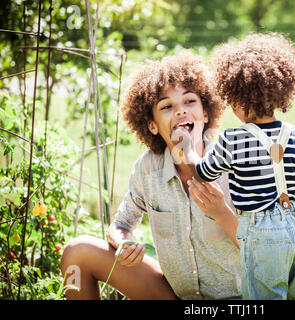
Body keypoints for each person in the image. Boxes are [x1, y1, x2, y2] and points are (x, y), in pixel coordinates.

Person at [60, 51, 242, 300]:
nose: (180, 111)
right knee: (77, 251)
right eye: (167, 106)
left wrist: (222, 214)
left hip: (241, 300)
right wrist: (123, 242)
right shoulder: (148, 169)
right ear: (152, 125)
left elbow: (265, 251)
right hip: (180, 297)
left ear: (206, 113)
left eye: (190, 101)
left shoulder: (235, 160)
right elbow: (121, 224)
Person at [176, 33, 295, 300]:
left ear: (240, 99)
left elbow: (204, 172)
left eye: (231, 102)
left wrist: (187, 146)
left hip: (262, 235)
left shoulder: (233, 139)